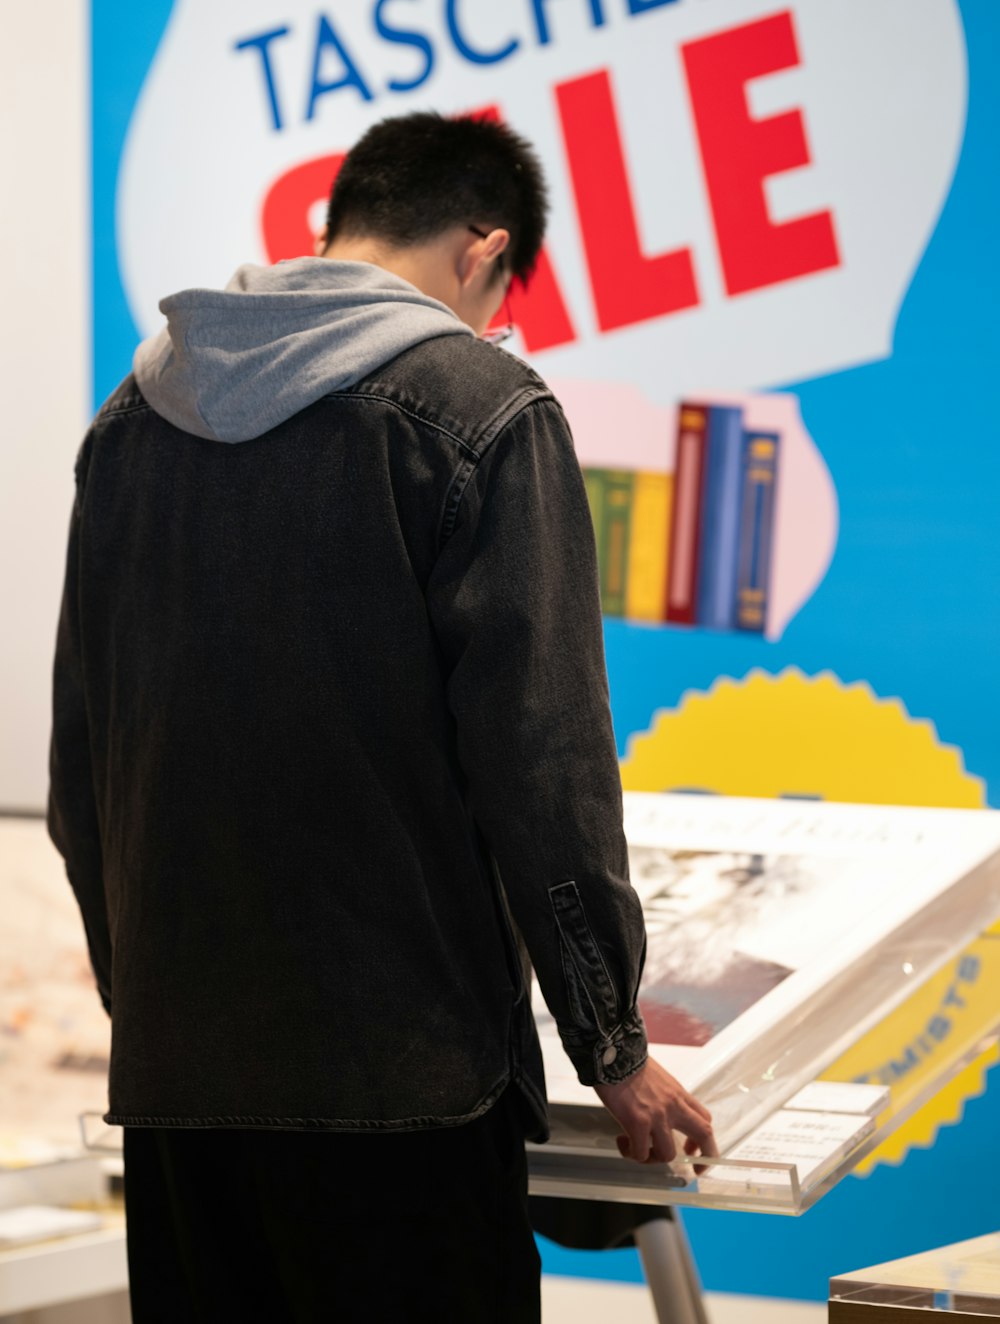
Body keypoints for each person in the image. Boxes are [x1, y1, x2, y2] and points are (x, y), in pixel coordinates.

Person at [48, 111, 715, 1322]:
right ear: (482, 253)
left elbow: (81, 777)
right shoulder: (481, 404)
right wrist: (610, 1045)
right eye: (501, 294)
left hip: (180, 1099)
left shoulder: (129, 422)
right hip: (404, 1096)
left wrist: (154, 1008)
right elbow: (544, 766)